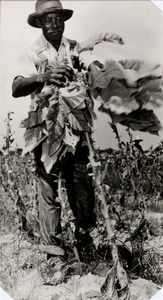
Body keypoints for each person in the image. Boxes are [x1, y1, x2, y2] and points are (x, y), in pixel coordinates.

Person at [12, 0, 97, 267]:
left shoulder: (75, 47)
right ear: (39, 23)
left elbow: (93, 67)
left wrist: (96, 72)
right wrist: (44, 76)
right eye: (48, 19)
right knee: (48, 191)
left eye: (58, 18)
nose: (54, 23)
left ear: (64, 20)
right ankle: (54, 256)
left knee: (82, 186)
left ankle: (86, 241)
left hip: (76, 126)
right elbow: (16, 86)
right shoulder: (33, 52)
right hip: (45, 129)